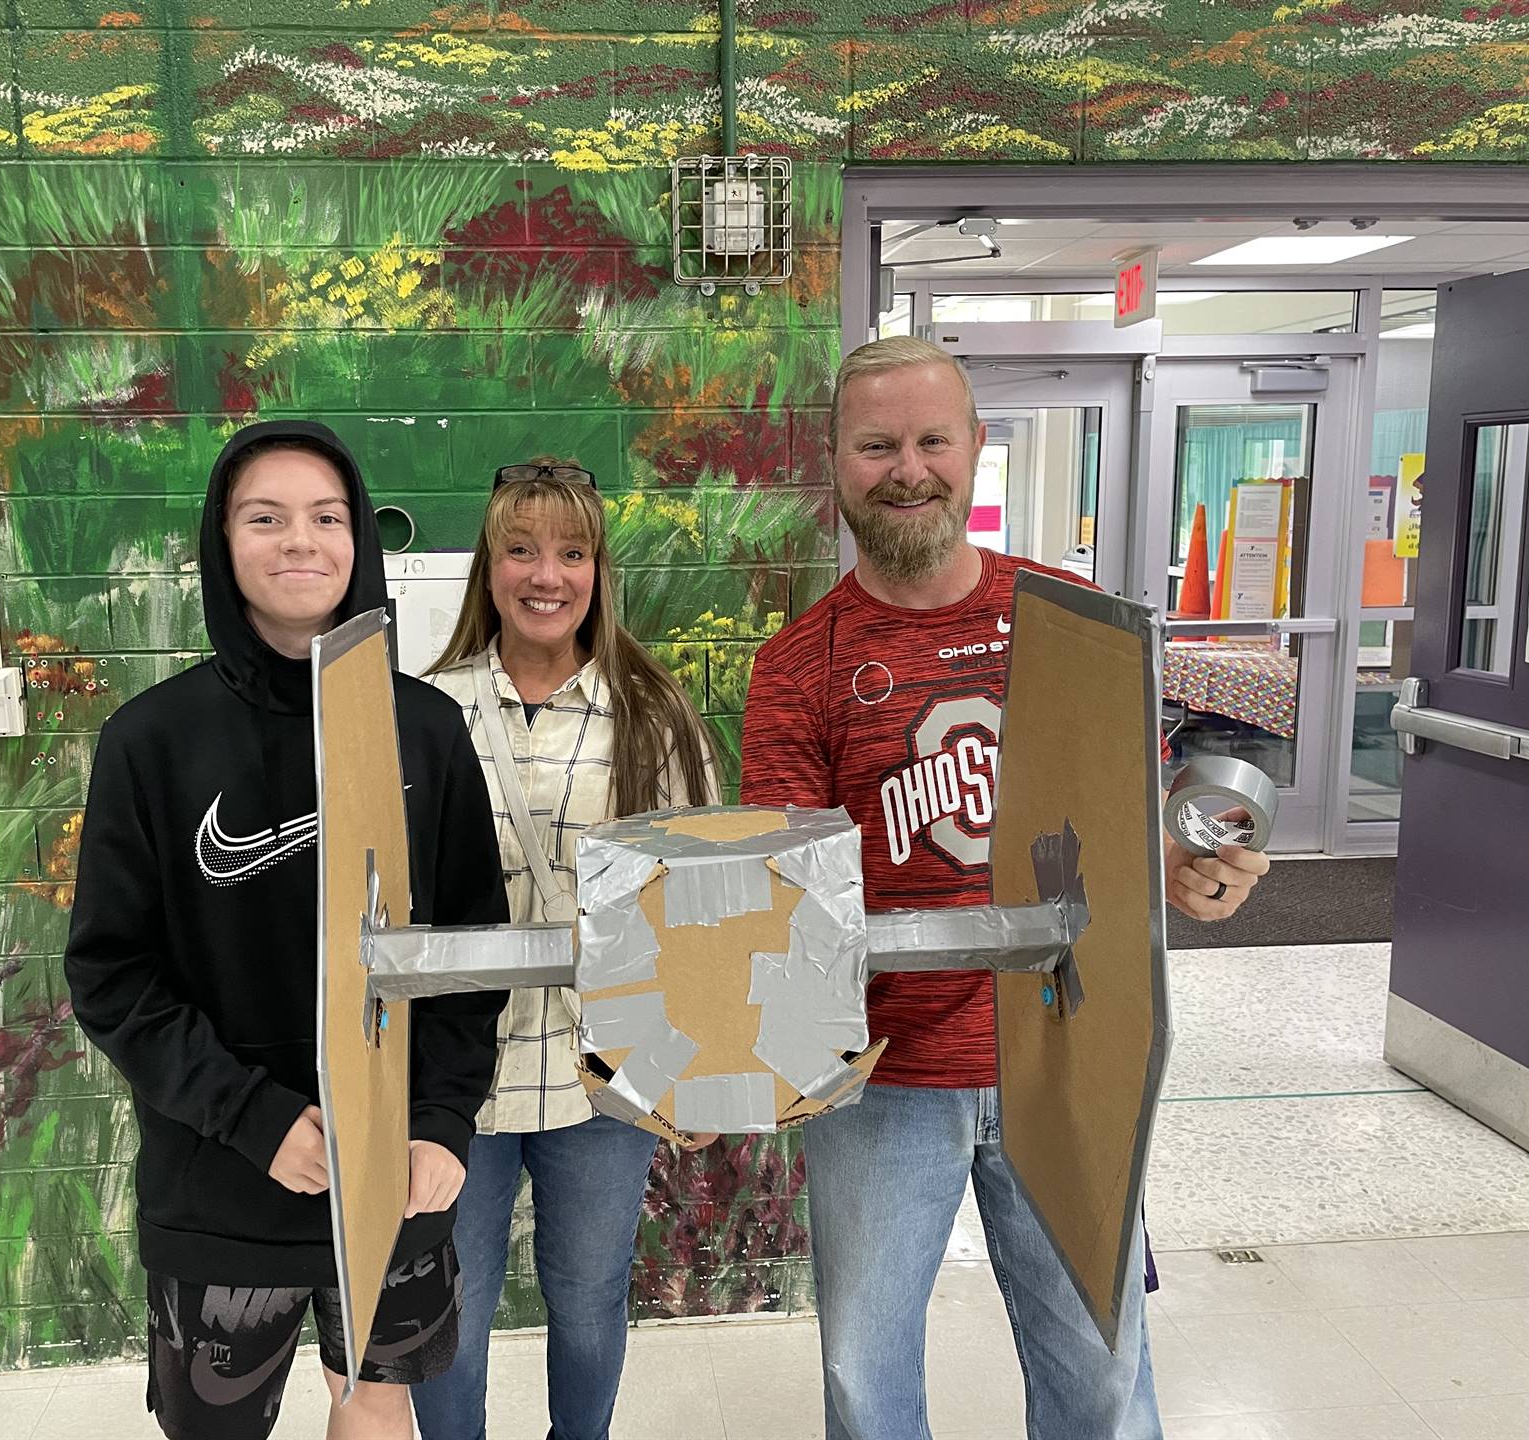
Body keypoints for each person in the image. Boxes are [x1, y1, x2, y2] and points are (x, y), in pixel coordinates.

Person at [739, 337, 1271, 1440]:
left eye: (933, 438)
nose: (908, 467)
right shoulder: (797, 666)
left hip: (1067, 1054)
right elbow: (785, 903)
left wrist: (1187, 871)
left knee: (1103, 1372)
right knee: (862, 1380)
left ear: (977, 447)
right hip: (880, 1079)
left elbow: (1135, 829)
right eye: (877, 444)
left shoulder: (1074, 621)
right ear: (834, 460)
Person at [63, 420, 510, 1440]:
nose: (299, 541)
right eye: (265, 519)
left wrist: (441, 1120)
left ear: (360, 540)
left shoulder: (426, 733)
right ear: (224, 544)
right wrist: (252, 1118)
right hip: (219, 1182)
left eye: (326, 517)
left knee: (377, 1396)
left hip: (393, 1168)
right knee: (214, 1424)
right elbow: (111, 976)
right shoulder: (151, 740)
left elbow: (468, 953)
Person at [409, 461, 717, 1440]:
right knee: (443, 1311)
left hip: (609, 1077)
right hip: (455, 1081)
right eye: (522, 548)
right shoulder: (425, 711)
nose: (548, 574)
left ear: (598, 570)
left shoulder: (653, 713)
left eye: (572, 551)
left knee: (587, 1304)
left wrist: (703, 1070)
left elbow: (703, 899)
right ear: (488, 568)